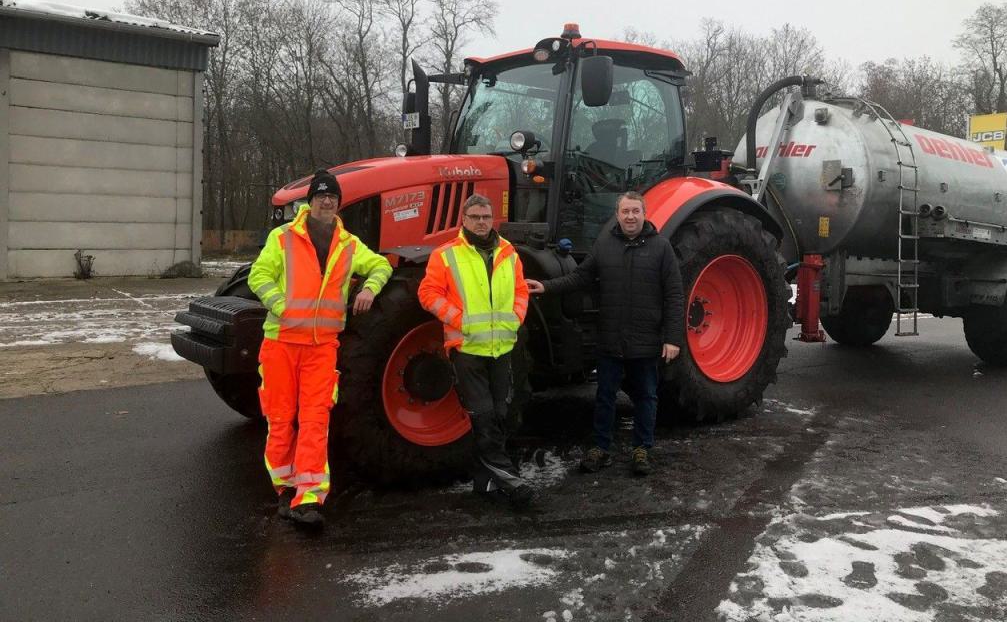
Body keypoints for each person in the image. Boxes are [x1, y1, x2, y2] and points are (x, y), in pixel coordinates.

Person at [248, 169, 393, 529]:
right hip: (281, 343)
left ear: (338, 203)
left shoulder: (349, 243)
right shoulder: (282, 238)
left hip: (322, 347)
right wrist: (283, 306)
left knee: (315, 420)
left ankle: (308, 496)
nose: (327, 202)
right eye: (321, 196)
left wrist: (370, 288)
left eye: (332, 197)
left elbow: (381, 264)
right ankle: (284, 487)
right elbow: (259, 276)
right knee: (281, 419)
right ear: (310, 201)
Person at [526, 191, 683, 476]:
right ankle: (600, 447)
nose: (630, 217)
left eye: (635, 211)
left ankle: (641, 449)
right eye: (625, 212)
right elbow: (581, 276)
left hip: (646, 339)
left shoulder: (661, 248)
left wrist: (672, 338)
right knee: (605, 395)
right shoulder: (605, 244)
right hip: (610, 337)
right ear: (618, 214)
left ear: (644, 213)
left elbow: (674, 295)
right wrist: (546, 286)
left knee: (646, 395)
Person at [418, 194, 534, 505]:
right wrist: (460, 320)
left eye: (485, 217)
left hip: (501, 347)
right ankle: (511, 480)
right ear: (464, 221)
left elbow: (521, 290)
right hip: (467, 347)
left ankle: (484, 484)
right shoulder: (446, 255)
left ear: (492, 219)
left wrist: (515, 319)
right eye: (475, 217)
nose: (481, 222)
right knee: (482, 416)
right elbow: (427, 293)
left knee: (500, 414)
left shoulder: (509, 253)